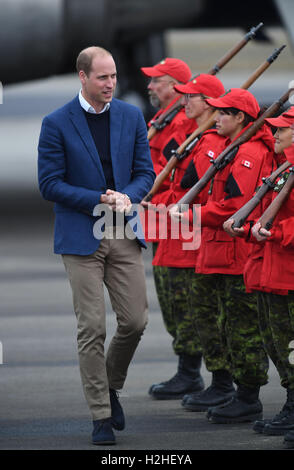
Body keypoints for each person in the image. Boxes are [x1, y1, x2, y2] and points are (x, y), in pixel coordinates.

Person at [38, 46, 155, 445]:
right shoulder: (56, 123)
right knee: (91, 327)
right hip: (79, 235)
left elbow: (146, 172)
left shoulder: (130, 115)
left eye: (114, 77)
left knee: (135, 321)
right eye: (103, 77)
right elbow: (49, 184)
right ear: (83, 77)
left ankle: (110, 385)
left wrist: (127, 195)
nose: (111, 84)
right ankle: (101, 416)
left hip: (123, 228)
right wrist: (97, 198)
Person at [171, 88, 274, 422]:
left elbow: (234, 206)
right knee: (225, 323)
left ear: (240, 118)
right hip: (220, 251)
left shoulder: (249, 154)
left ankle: (247, 396)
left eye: (223, 114)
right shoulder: (236, 148)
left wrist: (192, 216)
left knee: (242, 327)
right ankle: (232, 389)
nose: (216, 118)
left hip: (235, 255)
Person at [148, 74, 226, 400]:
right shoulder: (187, 133)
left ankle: (200, 375)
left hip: (188, 236)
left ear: (208, 103)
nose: (185, 101)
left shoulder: (206, 144)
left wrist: (158, 204)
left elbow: (198, 196)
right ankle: (190, 371)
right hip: (171, 231)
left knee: (196, 310)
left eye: (191, 95)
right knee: (178, 307)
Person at [224, 107, 294, 440]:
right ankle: (291, 404)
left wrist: (276, 233)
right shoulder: (284, 168)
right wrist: (247, 227)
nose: (274, 134)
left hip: (288, 273)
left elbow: (283, 224)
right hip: (270, 270)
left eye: (282, 130)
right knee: (276, 343)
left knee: (291, 344)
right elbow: (267, 212)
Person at [140, 58, 203, 399]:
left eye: (157, 81)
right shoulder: (162, 119)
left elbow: (172, 176)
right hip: (159, 223)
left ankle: (191, 372)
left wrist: (143, 189)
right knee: (170, 299)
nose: (150, 87)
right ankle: (187, 370)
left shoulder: (181, 125)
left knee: (182, 300)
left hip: (176, 224)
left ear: (176, 86)